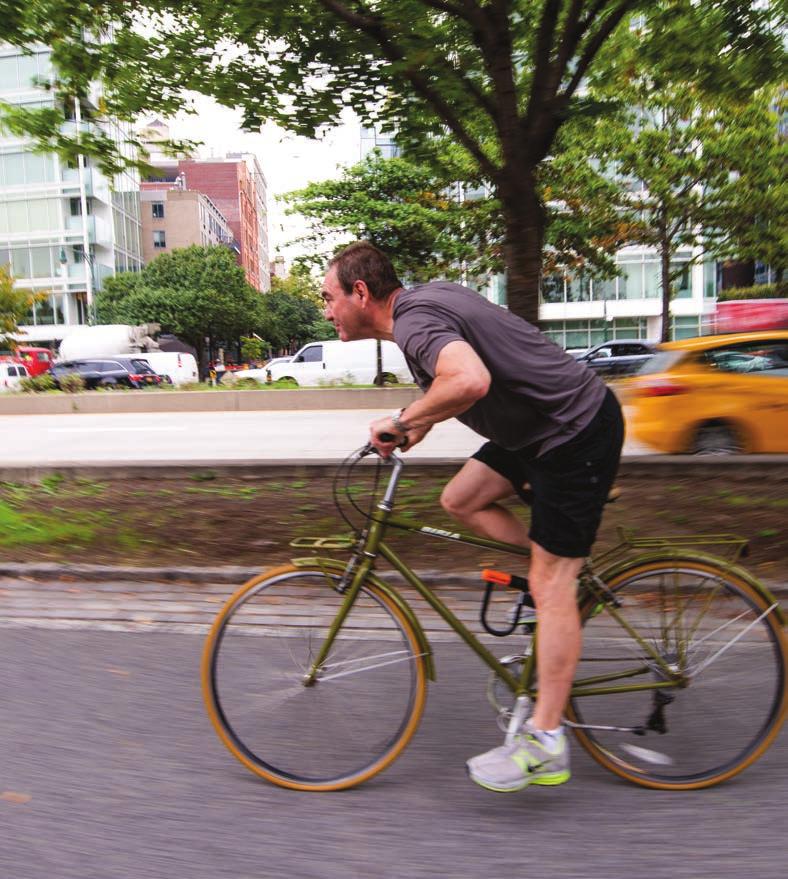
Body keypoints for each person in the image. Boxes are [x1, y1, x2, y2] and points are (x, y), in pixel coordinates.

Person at [321, 241, 624, 793]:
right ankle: (555, 572)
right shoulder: (423, 309)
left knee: (550, 583)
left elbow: (469, 381)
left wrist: (398, 416)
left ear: (360, 293)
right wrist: (409, 428)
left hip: (572, 430)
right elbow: (449, 395)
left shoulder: (414, 323)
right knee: (461, 499)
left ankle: (546, 742)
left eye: (329, 297)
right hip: (539, 428)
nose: (326, 310)